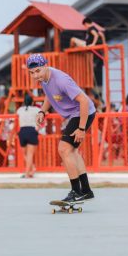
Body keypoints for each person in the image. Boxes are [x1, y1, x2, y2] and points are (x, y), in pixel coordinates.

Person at [28, 53, 96, 202]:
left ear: (46, 66)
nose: (35, 75)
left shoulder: (61, 80)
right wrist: (42, 111)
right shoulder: (44, 79)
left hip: (82, 112)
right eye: (32, 73)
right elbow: (49, 95)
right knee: (72, 151)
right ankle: (86, 190)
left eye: (38, 71)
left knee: (64, 149)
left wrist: (81, 129)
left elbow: (84, 101)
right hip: (74, 114)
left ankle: (76, 191)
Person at [17, 94, 40, 178]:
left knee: (24, 154)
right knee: (30, 154)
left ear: (24, 101)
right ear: (32, 102)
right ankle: (28, 172)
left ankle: (31, 170)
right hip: (31, 131)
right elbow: (44, 113)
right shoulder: (36, 109)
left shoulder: (19, 110)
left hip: (22, 131)